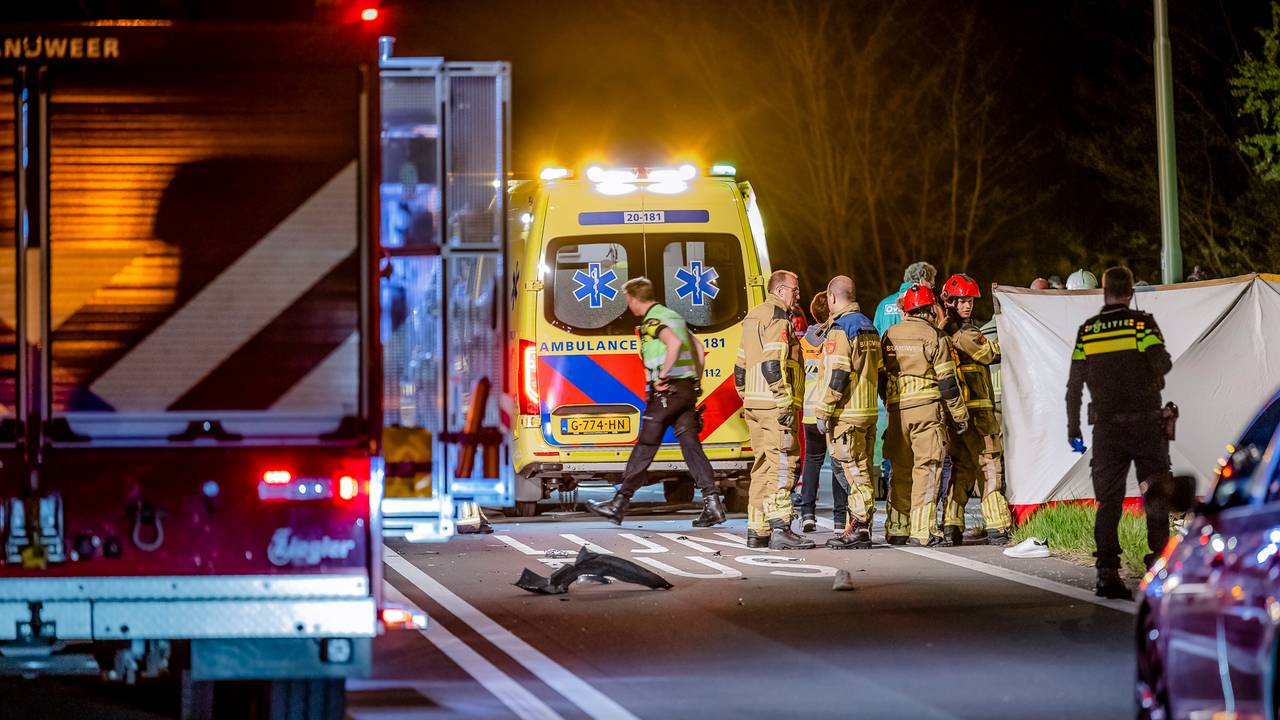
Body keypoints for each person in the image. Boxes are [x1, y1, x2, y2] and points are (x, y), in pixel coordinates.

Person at [1065, 266, 1173, 600]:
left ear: (1105, 292)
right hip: (1145, 426)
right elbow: (1162, 364)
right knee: (1155, 494)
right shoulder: (1142, 324)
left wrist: (1073, 428)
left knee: (1108, 502)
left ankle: (1106, 574)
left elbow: (1074, 386)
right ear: (1129, 293)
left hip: (1107, 430)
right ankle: (1158, 566)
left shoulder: (1088, 331)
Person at [587, 278, 726, 528]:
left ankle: (619, 503)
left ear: (633, 299)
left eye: (628, 301)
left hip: (667, 392)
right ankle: (712, 503)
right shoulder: (672, 315)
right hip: (684, 391)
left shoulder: (652, 321)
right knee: (691, 447)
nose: (628, 306)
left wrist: (663, 376)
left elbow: (673, 344)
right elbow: (698, 346)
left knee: (646, 445)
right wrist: (695, 381)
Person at [880, 284, 969, 546]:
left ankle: (897, 527)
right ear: (930, 309)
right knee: (927, 469)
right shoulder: (936, 336)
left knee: (900, 469)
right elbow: (947, 383)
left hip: (897, 414)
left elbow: (881, 376)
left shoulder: (889, 335)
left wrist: (890, 402)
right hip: (927, 412)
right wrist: (960, 415)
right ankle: (923, 530)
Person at [734, 270, 814, 550]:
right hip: (773, 404)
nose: (798, 295)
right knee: (783, 463)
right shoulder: (778, 317)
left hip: (755, 404)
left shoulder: (753, 315)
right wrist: (783, 399)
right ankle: (781, 527)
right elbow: (772, 362)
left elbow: (740, 365)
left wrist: (745, 396)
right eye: (795, 289)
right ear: (780, 290)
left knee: (762, 466)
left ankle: (758, 529)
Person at [938, 273, 1013, 546]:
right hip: (978, 413)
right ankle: (998, 527)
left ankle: (951, 526)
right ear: (950, 302)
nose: (967, 305)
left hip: (955, 414)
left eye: (970, 300)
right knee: (990, 467)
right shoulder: (965, 333)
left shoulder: (941, 331)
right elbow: (990, 353)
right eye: (962, 301)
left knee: (963, 469)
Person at [816, 275, 880, 550]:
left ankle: (861, 527)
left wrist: (824, 410)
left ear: (832, 298)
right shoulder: (869, 326)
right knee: (861, 468)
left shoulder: (842, 328)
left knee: (854, 472)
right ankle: (857, 525)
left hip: (847, 415)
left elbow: (839, 374)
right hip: (867, 411)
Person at [797, 291, 848, 532]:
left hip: (809, 412)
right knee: (838, 463)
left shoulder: (802, 343)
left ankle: (807, 513)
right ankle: (840, 519)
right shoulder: (836, 339)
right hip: (833, 412)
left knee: (812, 462)